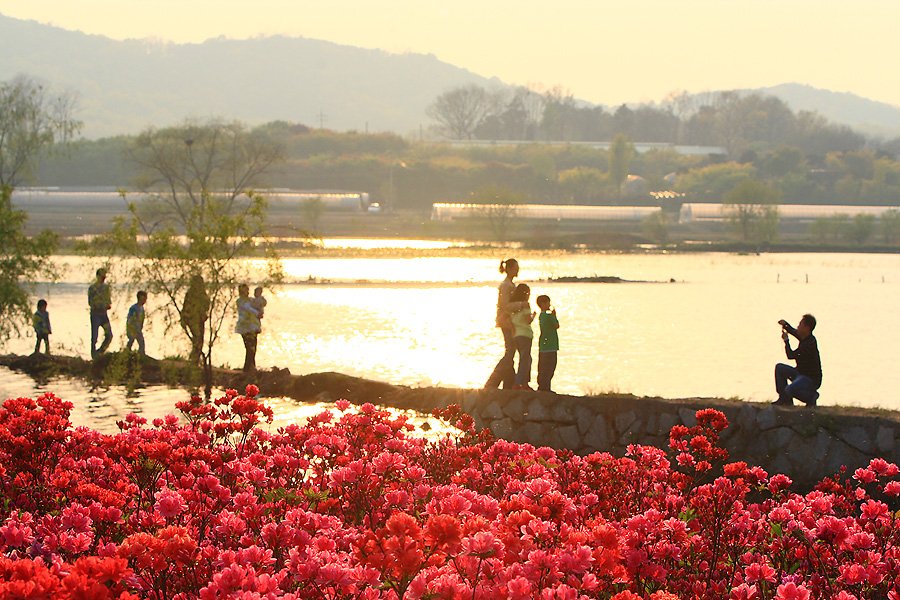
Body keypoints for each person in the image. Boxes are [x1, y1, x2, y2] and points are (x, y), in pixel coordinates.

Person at [485, 258, 527, 389]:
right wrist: (521, 304)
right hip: (506, 321)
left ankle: (508, 383)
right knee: (510, 351)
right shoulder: (506, 285)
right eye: (515, 268)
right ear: (508, 269)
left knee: (511, 351)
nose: (517, 270)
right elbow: (505, 305)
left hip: (510, 321)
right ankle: (492, 382)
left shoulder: (510, 285)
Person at [774, 314, 822, 406]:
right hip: (799, 373)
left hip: (810, 379)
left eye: (800, 325)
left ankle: (811, 397)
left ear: (807, 328)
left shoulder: (809, 344)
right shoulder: (805, 337)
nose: (798, 327)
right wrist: (785, 325)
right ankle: (784, 399)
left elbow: (790, 355)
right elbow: (794, 332)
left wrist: (786, 341)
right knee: (780, 368)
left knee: (790, 389)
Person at [510, 283, 536, 390]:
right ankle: (519, 383)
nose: (529, 295)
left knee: (527, 359)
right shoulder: (525, 305)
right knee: (525, 360)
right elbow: (528, 320)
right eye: (528, 293)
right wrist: (533, 316)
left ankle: (524, 383)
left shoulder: (513, 306)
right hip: (525, 335)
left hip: (517, 335)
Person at [182, 274, 210, 365]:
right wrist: (184, 319)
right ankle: (194, 358)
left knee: (199, 339)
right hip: (192, 319)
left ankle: (195, 359)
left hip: (200, 319)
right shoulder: (190, 294)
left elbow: (206, 306)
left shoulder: (202, 294)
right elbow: (185, 307)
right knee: (197, 338)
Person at [536, 294, 560, 392]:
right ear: (543, 304)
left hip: (544, 345)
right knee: (550, 367)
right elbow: (556, 325)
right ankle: (545, 388)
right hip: (551, 346)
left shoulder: (541, 316)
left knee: (543, 368)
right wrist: (554, 315)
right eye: (548, 303)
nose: (549, 304)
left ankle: (543, 387)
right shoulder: (548, 316)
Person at [235, 283, 261, 372]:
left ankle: (251, 367)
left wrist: (259, 297)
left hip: (253, 327)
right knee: (249, 348)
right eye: (245, 290)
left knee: (253, 348)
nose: (247, 292)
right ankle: (247, 369)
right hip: (244, 328)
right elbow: (248, 308)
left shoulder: (251, 300)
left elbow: (259, 304)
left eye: (247, 290)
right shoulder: (240, 301)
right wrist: (257, 313)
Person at [88, 267, 113, 358]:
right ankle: (93, 354)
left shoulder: (106, 288)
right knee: (94, 336)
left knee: (109, 335)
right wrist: (99, 305)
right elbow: (90, 302)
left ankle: (100, 351)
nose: (103, 278)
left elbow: (108, 300)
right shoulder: (92, 288)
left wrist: (107, 305)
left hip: (103, 315)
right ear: (98, 276)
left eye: (104, 276)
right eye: (102, 276)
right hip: (95, 315)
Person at [126, 290, 148, 355]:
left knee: (141, 343)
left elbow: (142, 319)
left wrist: (140, 327)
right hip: (132, 328)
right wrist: (131, 328)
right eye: (144, 298)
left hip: (138, 329)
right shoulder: (133, 308)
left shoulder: (142, 309)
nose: (145, 300)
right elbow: (130, 319)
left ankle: (141, 355)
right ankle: (126, 353)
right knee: (131, 340)